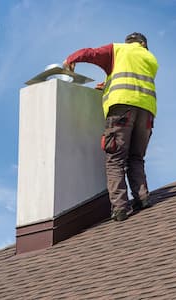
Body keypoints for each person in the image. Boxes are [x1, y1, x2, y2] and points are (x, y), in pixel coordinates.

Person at [63, 32, 158, 221]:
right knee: (136, 158)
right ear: (143, 44)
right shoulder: (150, 58)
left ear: (129, 42)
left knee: (115, 158)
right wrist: (107, 84)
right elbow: (132, 80)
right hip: (146, 112)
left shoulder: (118, 50)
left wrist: (70, 59)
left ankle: (120, 208)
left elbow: (91, 53)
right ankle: (142, 198)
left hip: (121, 110)